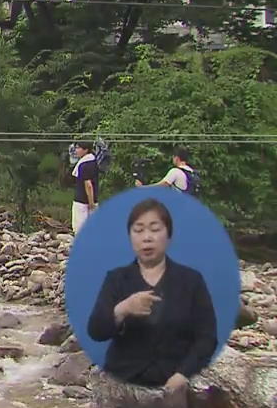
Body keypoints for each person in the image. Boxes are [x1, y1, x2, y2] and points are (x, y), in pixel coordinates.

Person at [86, 198, 217, 391]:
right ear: (130, 237)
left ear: (168, 235)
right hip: (123, 382)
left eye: (155, 230)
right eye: (138, 230)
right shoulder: (117, 279)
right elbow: (96, 331)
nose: (147, 238)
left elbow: (207, 337)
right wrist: (123, 309)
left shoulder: (191, 280)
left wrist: (183, 374)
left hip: (172, 383)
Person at [71, 140, 100, 233]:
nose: (76, 150)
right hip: (92, 200)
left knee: (79, 228)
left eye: (78, 148)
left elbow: (88, 185)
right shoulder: (93, 161)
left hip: (82, 201)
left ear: (86, 150)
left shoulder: (84, 164)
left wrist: (90, 202)